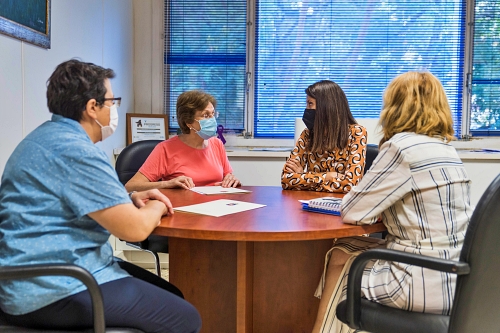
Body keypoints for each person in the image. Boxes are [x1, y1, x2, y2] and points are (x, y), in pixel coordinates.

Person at [0, 59, 201, 333]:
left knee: (171, 293)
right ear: (92, 107)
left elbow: (70, 203)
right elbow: (135, 229)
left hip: (31, 277)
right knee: (185, 318)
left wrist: (130, 201)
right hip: (55, 287)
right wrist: (155, 204)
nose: (113, 108)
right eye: (111, 101)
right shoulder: (78, 151)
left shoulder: (44, 138)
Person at [312, 71, 472, 333]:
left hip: (417, 280)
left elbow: (352, 210)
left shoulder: (401, 148)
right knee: (343, 248)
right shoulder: (447, 150)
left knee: (345, 272)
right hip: (457, 278)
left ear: (395, 108)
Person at [125, 90, 240, 191]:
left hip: (216, 206)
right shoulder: (165, 149)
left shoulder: (217, 144)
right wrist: (167, 184)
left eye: (213, 114)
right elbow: (130, 186)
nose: (212, 119)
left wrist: (231, 180)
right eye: (205, 115)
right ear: (188, 122)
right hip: (182, 208)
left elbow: (227, 177)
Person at [281, 80, 367, 193]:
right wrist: (327, 176)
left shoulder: (357, 133)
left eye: (310, 103)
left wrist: (305, 176)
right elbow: (286, 180)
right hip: (311, 202)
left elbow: (350, 184)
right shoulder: (307, 135)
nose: (307, 109)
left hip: (341, 205)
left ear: (326, 107)